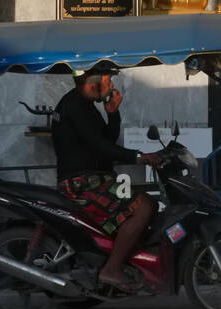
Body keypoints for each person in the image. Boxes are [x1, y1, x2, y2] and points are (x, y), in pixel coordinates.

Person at [52, 68, 165, 292]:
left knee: (146, 204)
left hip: (95, 179)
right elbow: (100, 146)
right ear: (93, 79)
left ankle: (120, 261)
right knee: (143, 207)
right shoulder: (74, 105)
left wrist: (113, 114)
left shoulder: (84, 105)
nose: (112, 85)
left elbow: (105, 141)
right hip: (82, 183)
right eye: (108, 79)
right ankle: (112, 269)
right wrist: (139, 157)